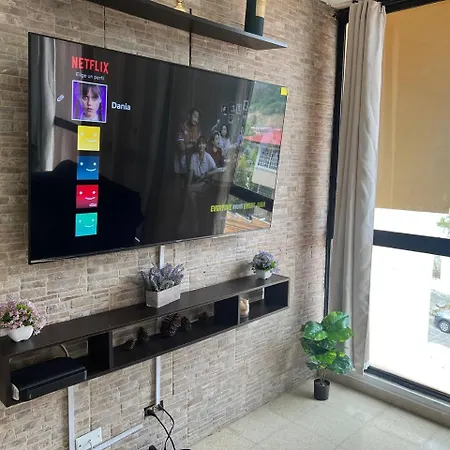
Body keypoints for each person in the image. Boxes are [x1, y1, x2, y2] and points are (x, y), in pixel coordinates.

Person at [175, 107, 202, 174]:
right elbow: (181, 147)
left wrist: (191, 143)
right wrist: (193, 143)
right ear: (189, 116)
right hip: (183, 155)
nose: (196, 119)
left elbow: (199, 144)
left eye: (197, 117)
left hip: (194, 156)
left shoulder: (198, 129)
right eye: (194, 116)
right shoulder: (181, 127)